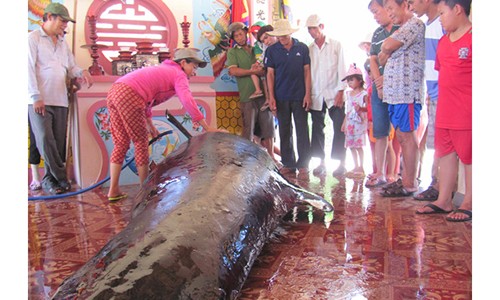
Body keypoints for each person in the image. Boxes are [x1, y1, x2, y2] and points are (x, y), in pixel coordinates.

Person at [106, 48, 217, 201]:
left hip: (115, 91)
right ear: (183, 63)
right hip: (130, 94)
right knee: (141, 142)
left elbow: (147, 101)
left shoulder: (165, 70)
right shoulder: (178, 74)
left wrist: (151, 126)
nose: (194, 72)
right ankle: (145, 191)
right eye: (194, 67)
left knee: (121, 143)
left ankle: (113, 190)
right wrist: (207, 127)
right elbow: (187, 100)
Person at [28, 3, 93, 195]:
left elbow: (71, 67)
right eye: (62, 21)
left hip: (60, 99)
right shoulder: (33, 39)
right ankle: (61, 177)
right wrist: (35, 96)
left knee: (57, 142)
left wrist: (83, 72)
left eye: (66, 22)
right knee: (44, 139)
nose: (65, 25)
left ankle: (50, 180)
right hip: (40, 99)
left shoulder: (63, 44)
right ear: (49, 17)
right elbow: (27, 68)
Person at [416, 0, 472, 222]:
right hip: (444, 108)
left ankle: (469, 201)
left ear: (457, 9)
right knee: (445, 154)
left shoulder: (474, 37)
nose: (440, 19)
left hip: (467, 109)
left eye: (442, 14)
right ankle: (444, 199)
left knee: (469, 157)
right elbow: (441, 75)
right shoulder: (443, 42)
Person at [378, 0, 425, 197]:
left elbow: (387, 45)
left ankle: (409, 183)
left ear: (405, 4)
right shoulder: (402, 28)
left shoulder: (415, 24)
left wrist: (388, 50)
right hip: (395, 94)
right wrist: (386, 51)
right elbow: (381, 55)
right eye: (386, 9)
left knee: (408, 137)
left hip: (407, 92)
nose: (389, 13)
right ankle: (403, 179)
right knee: (401, 136)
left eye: (391, 8)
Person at [265, 19, 312, 179]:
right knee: (285, 130)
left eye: (284, 35)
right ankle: (288, 163)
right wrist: (271, 97)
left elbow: (307, 72)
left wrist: (308, 94)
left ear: (291, 33)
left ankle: (304, 164)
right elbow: (270, 75)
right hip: (280, 96)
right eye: (279, 36)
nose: (282, 39)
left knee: (302, 130)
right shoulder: (271, 51)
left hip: (300, 96)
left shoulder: (302, 48)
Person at [225, 22, 276, 163]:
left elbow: (265, 68)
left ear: (246, 33)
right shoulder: (233, 52)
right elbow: (233, 71)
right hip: (247, 96)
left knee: (268, 127)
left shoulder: (257, 49)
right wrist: (252, 71)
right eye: (236, 36)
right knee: (249, 129)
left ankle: (271, 157)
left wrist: (256, 71)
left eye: (241, 34)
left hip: (264, 96)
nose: (240, 38)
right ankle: (249, 160)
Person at [411, 0, 445, 201]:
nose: (411, 6)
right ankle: (436, 183)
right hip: (432, 92)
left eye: (413, 1)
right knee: (436, 142)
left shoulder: (443, 24)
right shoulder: (428, 26)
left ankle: (441, 186)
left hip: (444, 91)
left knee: (443, 144)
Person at [305, 14, 348, 177]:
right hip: (316, 94)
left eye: (314, 28)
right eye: (309, 29)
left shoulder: (336, 45)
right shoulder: (309, 49)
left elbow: (342, 69)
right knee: (317, 128)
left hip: (334, 92)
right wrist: (307, 94)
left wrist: (341, 91)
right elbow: (308, 74)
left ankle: (341, 163)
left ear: (321, 27)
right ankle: (321, 162)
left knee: (340, 127)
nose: (311, 31)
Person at [364, 0, 400, 188]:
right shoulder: (377, 33)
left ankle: (396, 174)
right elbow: (373, 59)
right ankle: (380, 173)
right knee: (380, 133)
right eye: (373, 14)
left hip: (399, 87)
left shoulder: (402, 27)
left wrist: (386, 79)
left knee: (402, 133)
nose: (376, 17)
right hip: (379, 89)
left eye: (377, 12)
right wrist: (379, 83)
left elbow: (394, 58)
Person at [341, 64, 368, 178]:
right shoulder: (348, 94)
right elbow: (347, 110)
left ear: (360, 80)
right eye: (348, 81)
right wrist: (344, 123)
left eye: (352, 80)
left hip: (359, 123)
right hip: (350, 123)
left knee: (358, 145)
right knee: (351, 145)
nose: (349, 83)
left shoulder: (364, 94)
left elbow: (368, 109)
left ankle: (361, 166)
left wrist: (360, 109)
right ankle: (355, 165)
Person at [29, 120, 42, 191]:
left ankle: (52, 178)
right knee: (35, 140)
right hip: (33, 109)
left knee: (56, 140)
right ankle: (35, 179)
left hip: (57, 109)